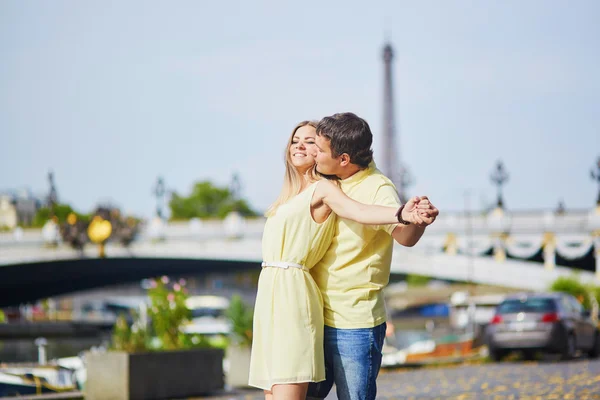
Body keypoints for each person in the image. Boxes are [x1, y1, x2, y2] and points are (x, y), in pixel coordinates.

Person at [248, 120, 435, 400]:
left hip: (353, 318)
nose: (305, 147)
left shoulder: (371, 187)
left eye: (315, 145)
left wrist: (408, 216)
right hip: (313, 309)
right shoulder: (314, 186)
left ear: (343, 158)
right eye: (297, 140)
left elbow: (369, 217)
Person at [306, 112, 438, 400]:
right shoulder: (326, 176)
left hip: (354, 323)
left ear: (343, 159)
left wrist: (418, 221)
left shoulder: (378, 189)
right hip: (314, 315)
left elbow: (404, 237)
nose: (313, 152)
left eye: (320, 148)